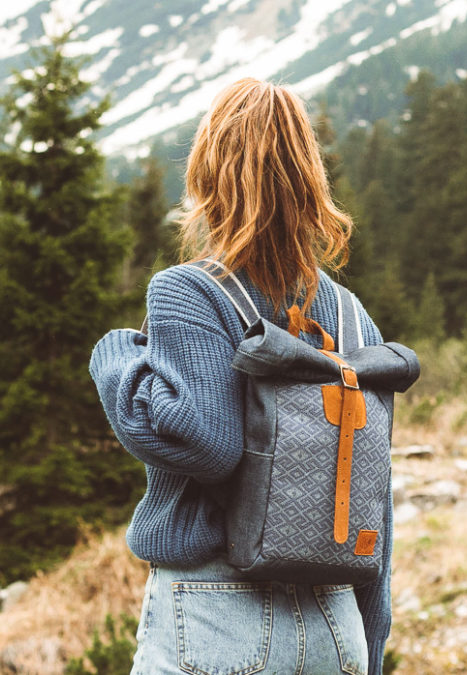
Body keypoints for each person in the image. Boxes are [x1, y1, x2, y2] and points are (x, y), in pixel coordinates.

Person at [89, 77, 391, 675]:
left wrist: (116, 360)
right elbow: (373, 504)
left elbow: (205, 443)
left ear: (209, 175)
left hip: (216, 616)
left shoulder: (188, 292)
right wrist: (370, 642)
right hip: (338, 623)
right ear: (310, 179)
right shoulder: (358, 324)